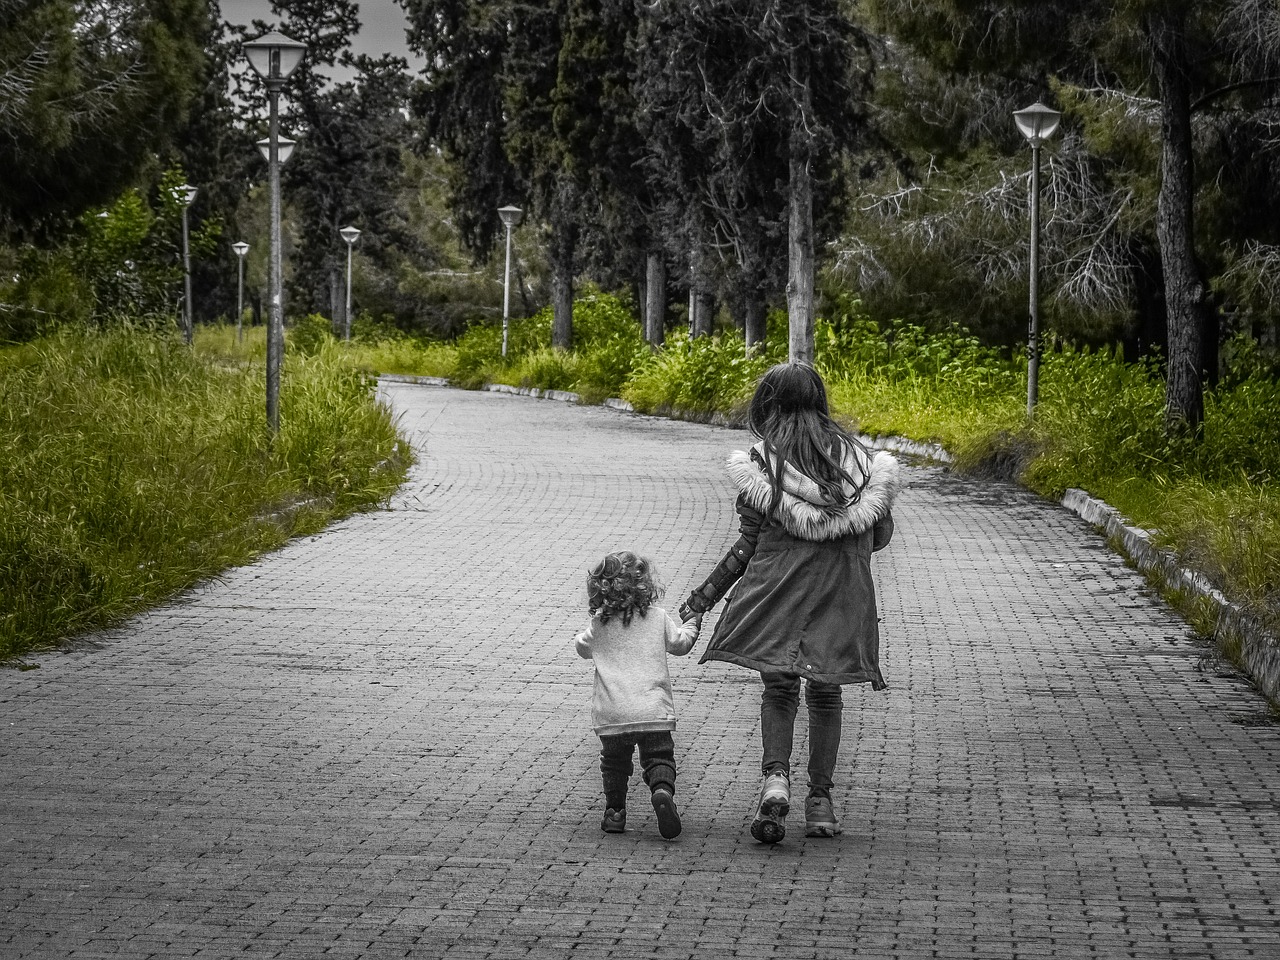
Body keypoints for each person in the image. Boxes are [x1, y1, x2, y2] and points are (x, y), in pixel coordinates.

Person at [680, 362, 901, 844]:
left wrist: (701, 600)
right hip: (842, 591)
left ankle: (775, 779)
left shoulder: (764, 465)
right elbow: (880, 533)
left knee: (779, 691)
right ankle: (820, 802)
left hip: (777, 589)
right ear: (821, 399)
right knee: (827, 692)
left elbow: (746, 546)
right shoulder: (861, 464)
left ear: (770, 404)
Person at [574, 551, 701, 840]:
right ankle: (661, 791)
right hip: (652, 709)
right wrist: (693, 623)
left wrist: (587, 634)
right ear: (646, 585)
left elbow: (582, 648)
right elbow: (681, 644)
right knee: (660, 757)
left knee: (615, 761)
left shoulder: (599, 623)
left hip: (613, 712)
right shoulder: (657, 618)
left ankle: (615, 812)